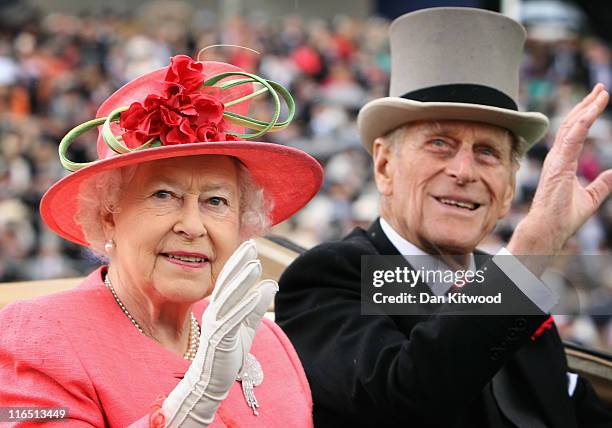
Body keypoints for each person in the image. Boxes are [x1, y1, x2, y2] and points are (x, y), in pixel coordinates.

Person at [275, 8, 612, 427]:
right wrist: (532, 250)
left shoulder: (510, 283)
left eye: (487, 153)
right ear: (383, 166)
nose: (464, 171)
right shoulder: (331, 276)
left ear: (509, 189)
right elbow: (408, 396)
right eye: (439, 143)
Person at [0, 53, 322, 426]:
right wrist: (188, 407)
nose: (192, 226)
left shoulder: (268, 341)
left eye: (215, 201)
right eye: (163, 195)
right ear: (108, 216)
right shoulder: (36, 336)